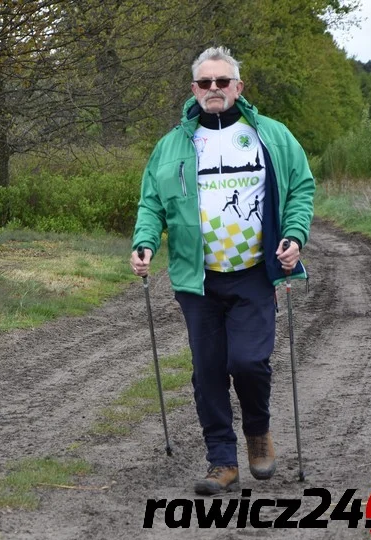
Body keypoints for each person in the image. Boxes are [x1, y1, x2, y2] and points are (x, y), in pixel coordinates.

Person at [130, 47, 314, 496]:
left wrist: (294, 235)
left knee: (248, 362)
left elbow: (301, 188)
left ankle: (258, 432)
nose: (214, 90)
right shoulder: (173, 144)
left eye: (222, 82)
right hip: (197, 277)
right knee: (208, 369)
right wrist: (144, 242)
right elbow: (152, 202)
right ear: (194, 90)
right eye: (205, 83)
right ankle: (221, 460)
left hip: (253, 271)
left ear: (238, 87)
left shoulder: (270, 135)